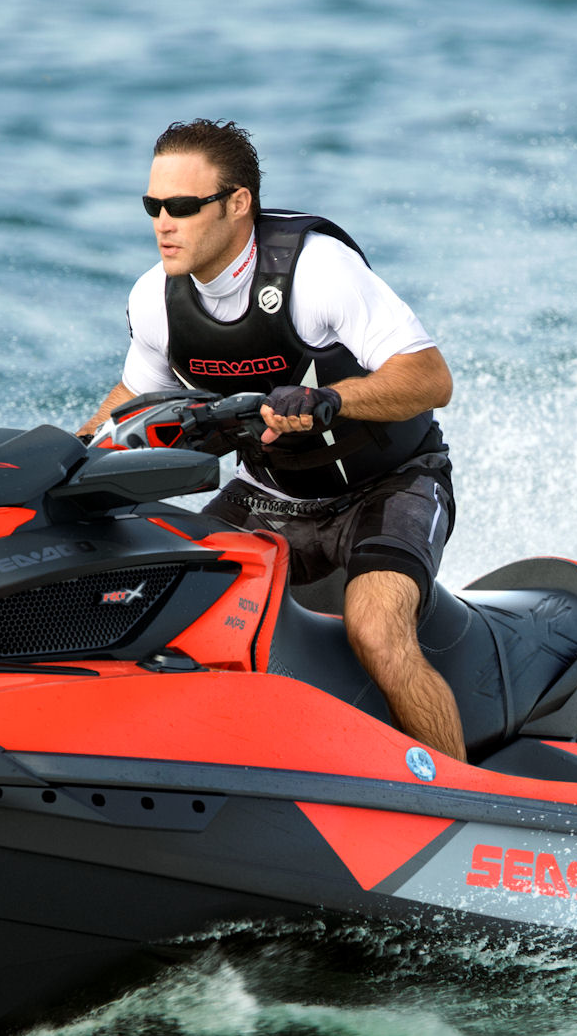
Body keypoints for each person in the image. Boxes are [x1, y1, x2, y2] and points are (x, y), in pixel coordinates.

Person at [79, 119, 465, 761]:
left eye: (182, 206)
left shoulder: (317, 270)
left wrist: (332, 400)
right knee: (154, 606)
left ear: (238, 204)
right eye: (153, 206)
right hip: (269, 494)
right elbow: (133, 400)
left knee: (376, 631)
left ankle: (459, 791)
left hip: (391, 485)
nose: (163, 224)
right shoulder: (154, 300)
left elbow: (431, 379)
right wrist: (72, 453)